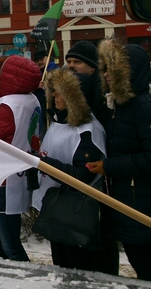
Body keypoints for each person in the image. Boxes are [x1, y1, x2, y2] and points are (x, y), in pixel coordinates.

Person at [87, 40, 151, 283]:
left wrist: (109, 167)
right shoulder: (121, 105)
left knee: (147, 267)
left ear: (128, 72)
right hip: (128, 197)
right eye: (105, 69)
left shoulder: (145, 108)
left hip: (143, 200)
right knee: (139, 263)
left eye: (111, 70)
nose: (106, 75)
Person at [32, 69, 106, 271]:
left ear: (76, 98)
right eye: (53, 91)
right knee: (61, 267)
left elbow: (83, 176)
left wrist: (43, 163)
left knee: (76, 269)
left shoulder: (87, 131)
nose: (54, 96)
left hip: (75, 214)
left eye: (59, 92)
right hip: (57, 208)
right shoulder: (58, 121)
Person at [0, 55, 41, 262]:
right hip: (15, 175)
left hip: (2, 179)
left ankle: (24, 280)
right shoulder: (30, 99)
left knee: (6, 243)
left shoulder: (9, 104)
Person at [66, 41, 112, 126]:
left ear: (92, 68)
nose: (71, 65)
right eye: (69, 62)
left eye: (77, 62)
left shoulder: (103, 93)